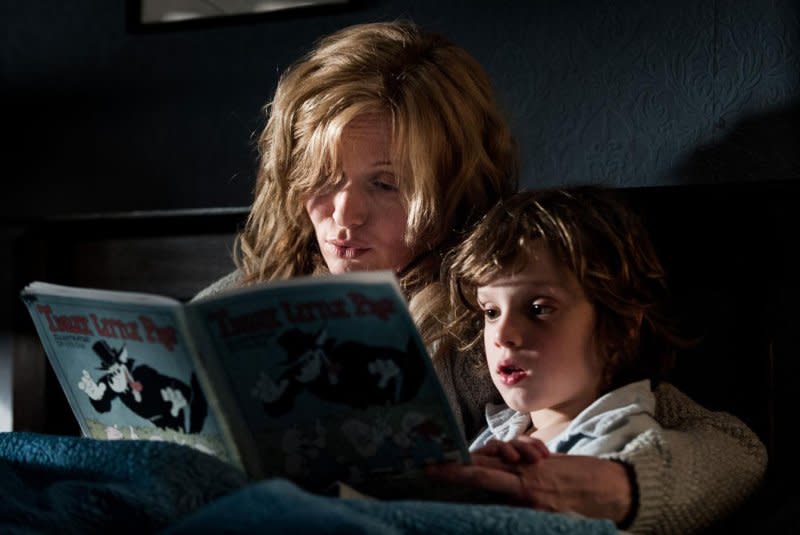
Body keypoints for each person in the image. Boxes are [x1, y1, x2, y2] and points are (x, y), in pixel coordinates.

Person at [196, 20, 767, 534]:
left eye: (386, 184)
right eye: (322, 177)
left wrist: (619, 489)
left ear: (451, 188)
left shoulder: (482, 317)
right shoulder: (246, 296)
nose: (344, 217)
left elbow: (733, 448)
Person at [426, 187, 693, 526]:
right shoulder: (500, 432)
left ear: (618, 329)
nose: (503, 334)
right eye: (491, 311)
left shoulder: (624, 445)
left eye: (538, 309)